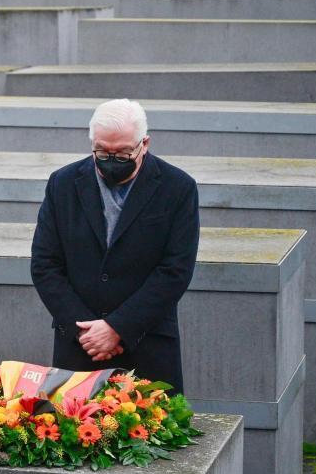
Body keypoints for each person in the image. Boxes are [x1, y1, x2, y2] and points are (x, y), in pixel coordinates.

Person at [30, 99, 199, 394]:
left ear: (144, 144)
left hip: (149, 348)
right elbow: (45, 265)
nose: (111, 160)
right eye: (101, 152)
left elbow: (175, 270)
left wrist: (117, 328)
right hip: (79, 347)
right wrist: (86, 331)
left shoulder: (178, 188)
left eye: (122, 153)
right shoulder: (63, 183)